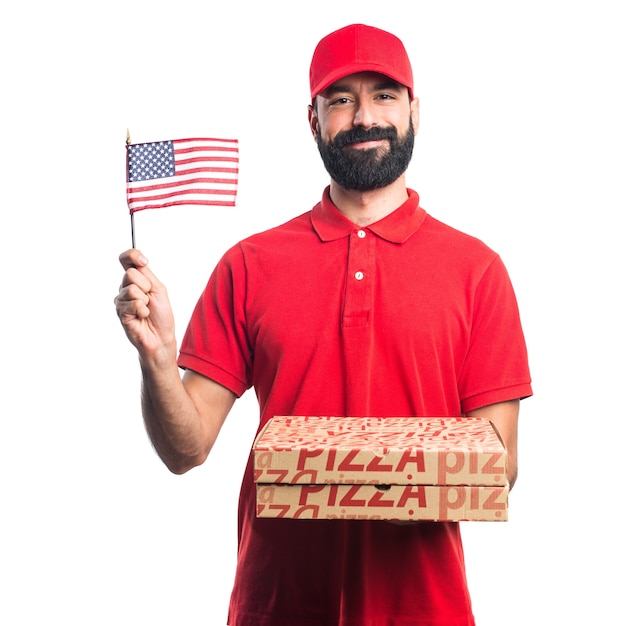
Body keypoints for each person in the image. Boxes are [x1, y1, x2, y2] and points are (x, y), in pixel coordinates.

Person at [115, 23, 532, 626]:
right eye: (341, 99)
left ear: (416, 110)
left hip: (424, 611)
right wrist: (156, 361)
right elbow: (186, 449)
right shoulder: (249, 265)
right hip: (276, 609)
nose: (365, 117)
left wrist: (358, 468)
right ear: (312, 119)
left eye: (384, 95)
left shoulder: (478, 271)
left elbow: (501, 466)